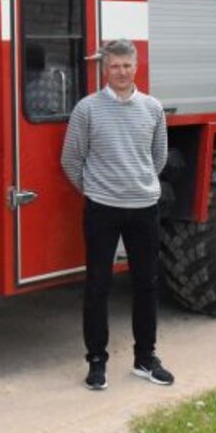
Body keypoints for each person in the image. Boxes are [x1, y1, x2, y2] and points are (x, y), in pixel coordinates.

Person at [61, 39, 173, 391]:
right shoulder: (87, 110)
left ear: (136, 66)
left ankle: (145, 358)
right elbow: (71, 160)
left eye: (127, 65)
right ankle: (97, 362)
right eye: (114, 66)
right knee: (98, 286)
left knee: (146, 284)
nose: (121, 72)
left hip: (144, 207)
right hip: (102, 208)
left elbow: (158, 158)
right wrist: (98, 190)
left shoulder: (152, 108)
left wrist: (135, 185)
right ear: (104, 69)